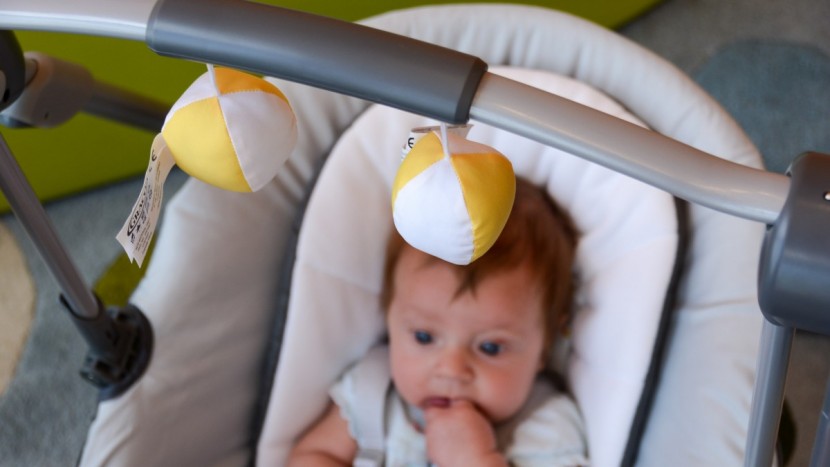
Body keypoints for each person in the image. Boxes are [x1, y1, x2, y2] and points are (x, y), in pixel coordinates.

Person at [287, 177, 588, 466]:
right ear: (390, 318)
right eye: (424, 337)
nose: (452, 370)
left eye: (491, 347)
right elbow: (312, 455)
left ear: (544, 347)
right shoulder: (372, 394)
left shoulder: (546, 428)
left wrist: (474, 461)